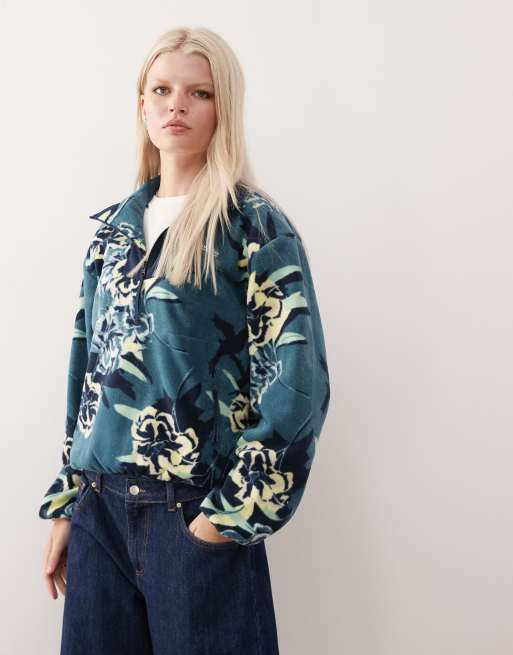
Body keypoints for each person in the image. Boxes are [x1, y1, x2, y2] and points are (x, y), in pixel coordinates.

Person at [39, 25, 331, 655]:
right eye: (162, 90)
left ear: (224, 108)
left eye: (199, 92)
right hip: (98, 519)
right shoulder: (113, 235)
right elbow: (86, 378)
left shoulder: (252, 226)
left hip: (194, 514)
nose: (177, 105)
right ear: (142, 105)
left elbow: (298, 383)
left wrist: (225, 520)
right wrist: (68, 501)